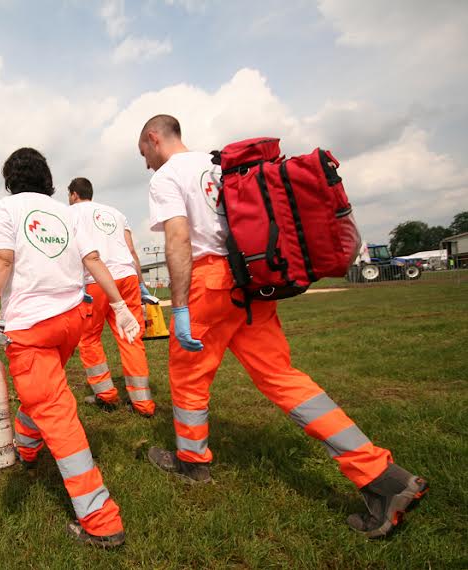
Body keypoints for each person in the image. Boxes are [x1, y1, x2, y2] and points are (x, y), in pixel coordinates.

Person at [137, 114, 428, 539]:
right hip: (250, 280)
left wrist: (178, 307)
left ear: (153, 138)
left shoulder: (166, 177)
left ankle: (192, 463)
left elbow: (179, 239)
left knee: (188, 376)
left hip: (208, 284)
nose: (145, 162)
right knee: (282, 377)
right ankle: (381, 475)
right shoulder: (219, 165)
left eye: (143, 152)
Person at [0, 147, 141, 548]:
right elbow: (93, 259)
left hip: (31, 327)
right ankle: (27, 449)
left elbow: (3, 259)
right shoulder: (66, 214)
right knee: (42, 393)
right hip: (70, 321)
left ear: (9, 180)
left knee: (55, 410)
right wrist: (119, 305)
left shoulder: (3, 209)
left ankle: (101, 521)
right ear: (47, 179)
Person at [68, 177, 157, 417]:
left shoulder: (70, 213)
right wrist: (141, 284)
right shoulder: (116, 214)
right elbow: (131, 250)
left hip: (95, 280)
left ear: (74, 194)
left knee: (89, 338)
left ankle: (106, 395)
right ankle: (143, 403)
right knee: (131, 336)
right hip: (127, 277)